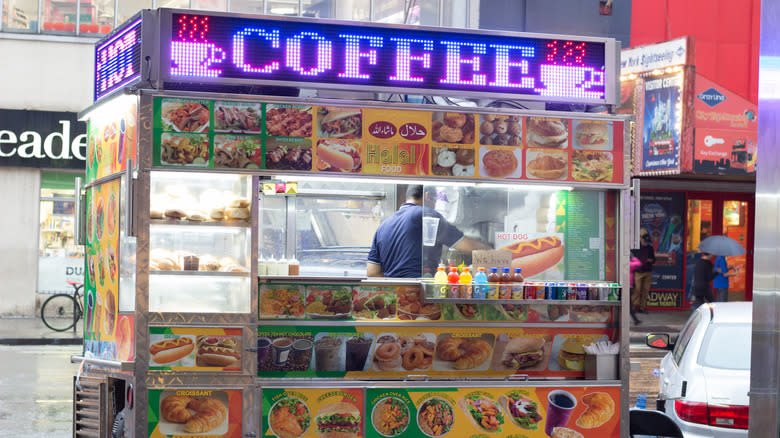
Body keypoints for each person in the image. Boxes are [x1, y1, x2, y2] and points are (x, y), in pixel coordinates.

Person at [367, 185, 490, 278]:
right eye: (435, 200)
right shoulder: (427, 215)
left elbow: (372, 273)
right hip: (420, 294)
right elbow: (466, 246)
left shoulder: (383, 226)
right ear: (428, 196)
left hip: (397, 300)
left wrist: (396, 286)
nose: (435, 205)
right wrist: (494, 249)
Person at [631, 231, 655, 313]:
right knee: (637, 290)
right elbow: (632, 259)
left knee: (645, 290)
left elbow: (653, 260)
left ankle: (642, 307)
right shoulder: (636, 249)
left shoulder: (650, 248)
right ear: (641, 240)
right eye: (645, 241)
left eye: (647, 242)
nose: (646, 243)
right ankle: (634, 307)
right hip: (638, 272)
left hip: (648, 271)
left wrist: (649, 260)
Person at [629, 256, 643, 324]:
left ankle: (635, 319)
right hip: (628, 287)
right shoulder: (630, 264)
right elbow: (639, 263)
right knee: (629, 304)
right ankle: (635, 319)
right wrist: (633, 258)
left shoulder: (626, 264)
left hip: (626, 286)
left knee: (629, 304)